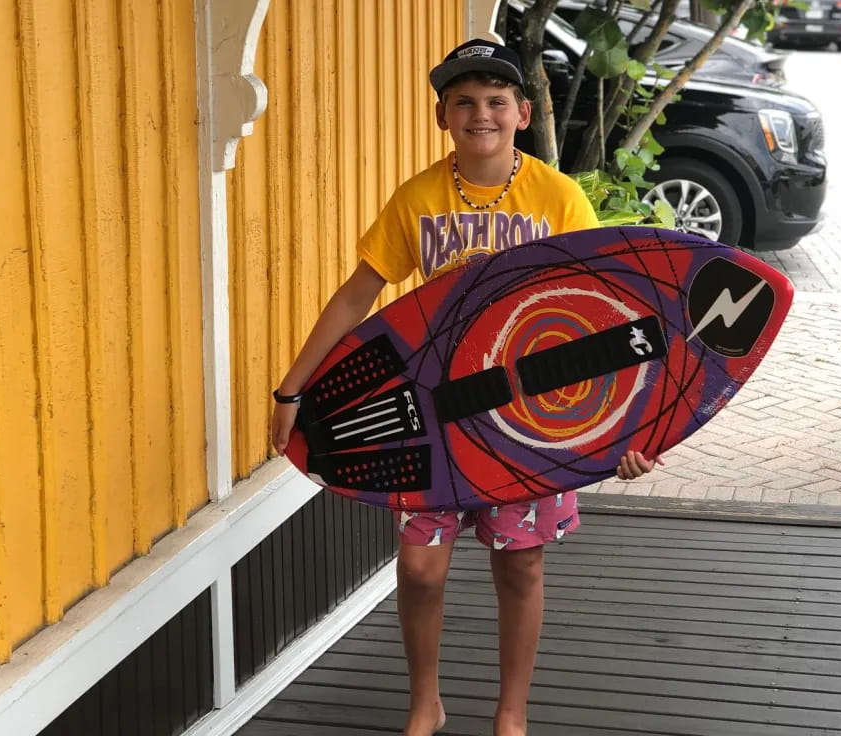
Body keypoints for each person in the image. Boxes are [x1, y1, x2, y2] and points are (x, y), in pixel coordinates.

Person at [271, 38, 663, 736]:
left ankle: (510, 714)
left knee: (521, 566)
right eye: (463, 102)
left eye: (494, 100)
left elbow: (605, 316)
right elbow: (356, 298)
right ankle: (427, 702)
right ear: (441, 116)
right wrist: (292, 390)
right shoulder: (418, 198)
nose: (479, 113)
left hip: (535, 415)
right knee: (421, 569)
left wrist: (627, 431)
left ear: (520, 111)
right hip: (434, 416)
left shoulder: (557, 196)